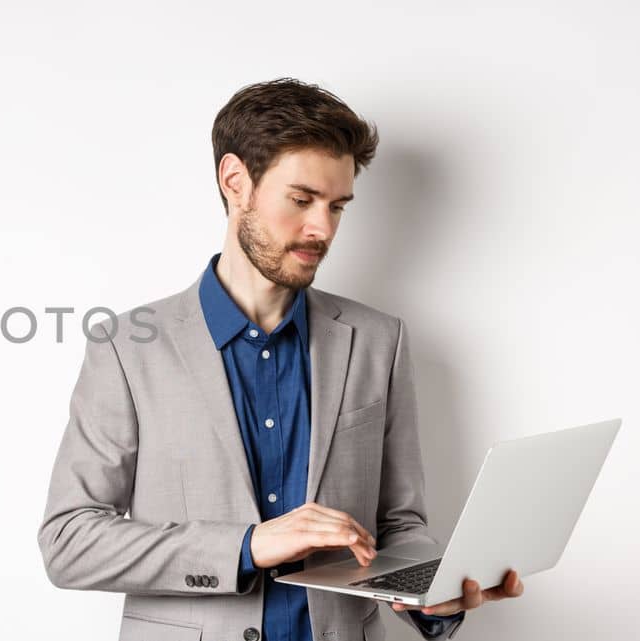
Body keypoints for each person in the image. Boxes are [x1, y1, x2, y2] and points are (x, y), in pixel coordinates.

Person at [36, 78, 524, 641]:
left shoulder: (377, 340)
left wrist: (426, 590)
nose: (323, 228)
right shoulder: (127, 347)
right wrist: (248, 545)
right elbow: (69, 542)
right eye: (301, 200)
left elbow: (399, 524)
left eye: (337, 206)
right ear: (236, 182)